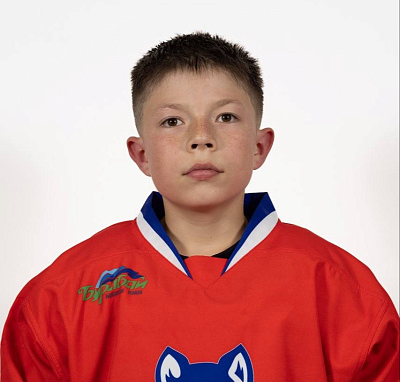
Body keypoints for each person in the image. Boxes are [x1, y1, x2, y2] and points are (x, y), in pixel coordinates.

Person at [1, 32, 398, 382]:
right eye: (173, 122)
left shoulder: (343, 291)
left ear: (259, 147)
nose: (201, 138)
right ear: (141, 154)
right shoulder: (61, 295)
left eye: (226, 116)